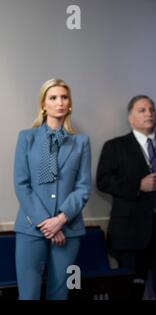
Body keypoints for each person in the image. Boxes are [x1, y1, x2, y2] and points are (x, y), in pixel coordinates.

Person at [96, 95, 156, 300]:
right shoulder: (115, 146)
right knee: (130, 294)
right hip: (130, 235)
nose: (149, 113)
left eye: (151, 109)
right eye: (142, 110)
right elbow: (103, 181)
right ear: (131, 118)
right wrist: (137, 186)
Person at [13, 78, 91, 300]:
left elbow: (83, 187)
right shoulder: (26, 138)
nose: (60, 102)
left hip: (69, 228)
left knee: (60, 294)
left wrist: (61, 220)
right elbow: (21, 184)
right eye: (53, 98)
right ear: (43, 104)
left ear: (70, 103)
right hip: (31, 228)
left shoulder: (81, 142)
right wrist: (48, 223)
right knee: (28, 296)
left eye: (64, 97)